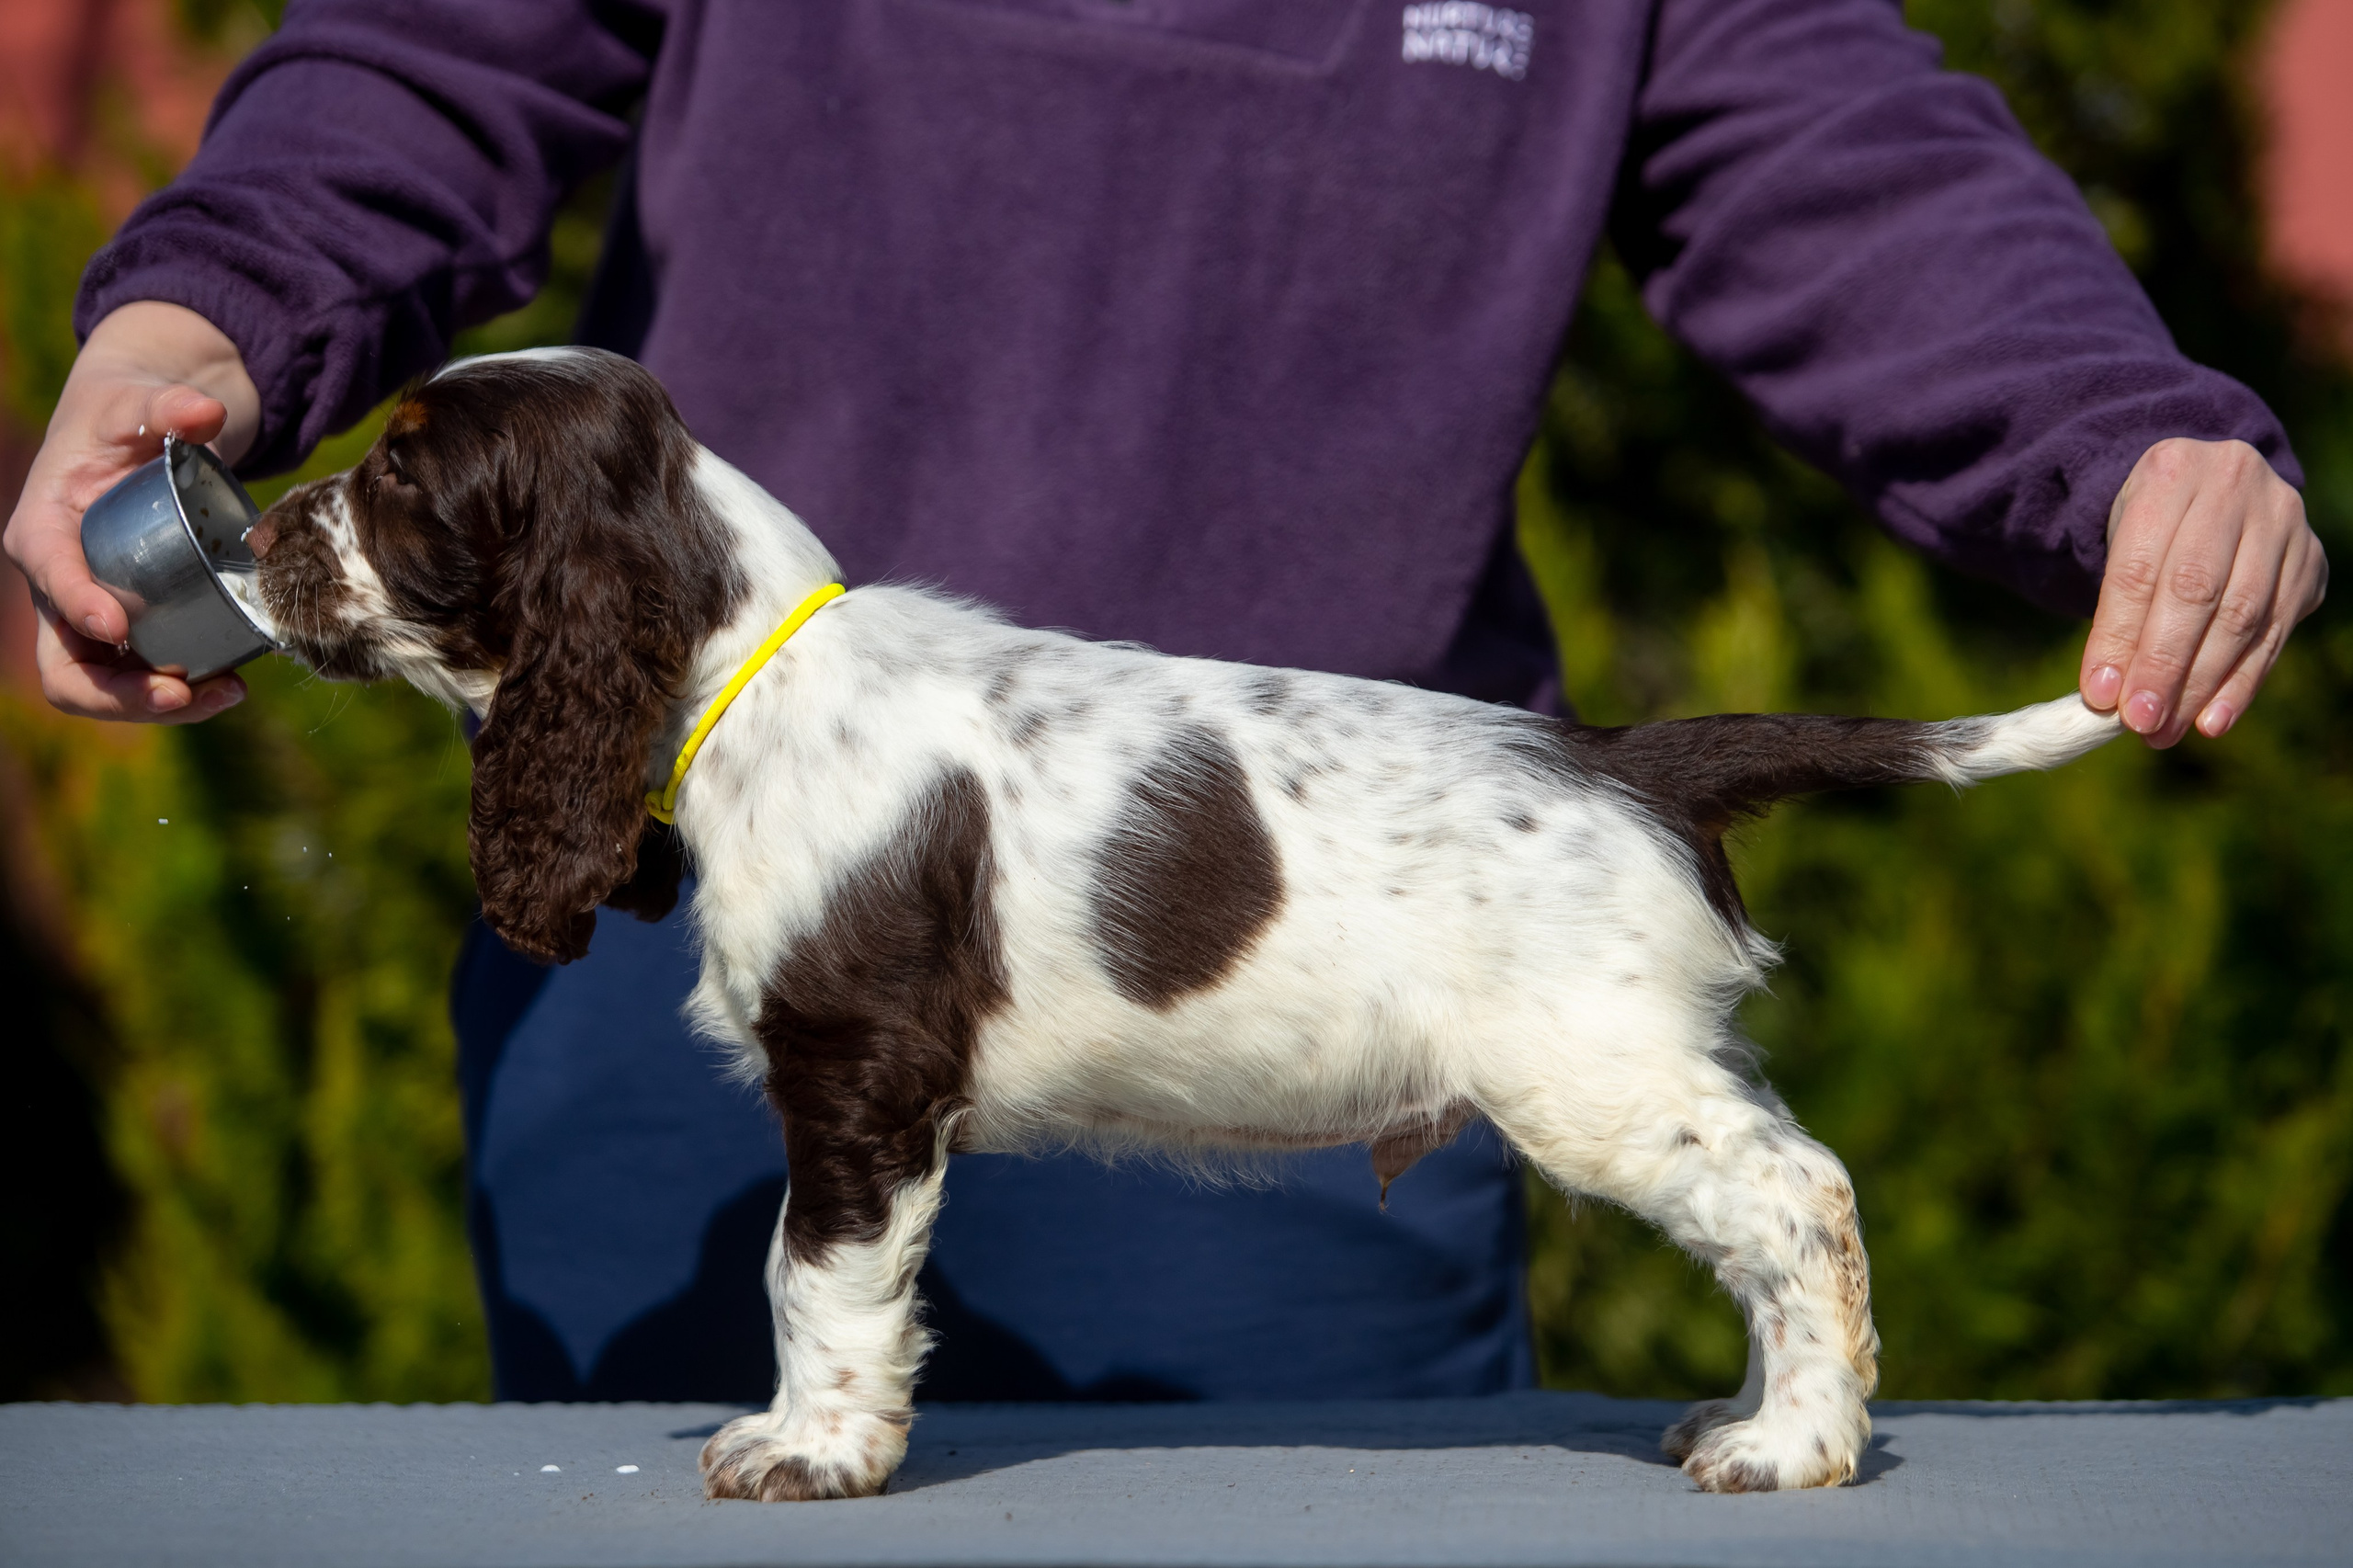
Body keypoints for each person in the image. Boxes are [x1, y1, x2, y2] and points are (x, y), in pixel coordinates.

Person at [6, 0, 2326, 1402]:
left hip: (1307, 977)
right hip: (688, 917)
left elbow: (1843, 159)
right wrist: (202, 319)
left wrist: (2121, 439)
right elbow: (432, 53)